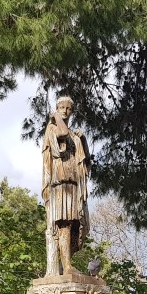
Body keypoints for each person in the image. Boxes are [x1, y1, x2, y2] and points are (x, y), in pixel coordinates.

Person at [42, 96, 90, 276]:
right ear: (56, 109)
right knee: (64, 225)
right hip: (60, 184)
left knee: (76, 226)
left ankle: (68, 263)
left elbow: (85, 160)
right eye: (61, 107)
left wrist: (83, 139)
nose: (65, 111)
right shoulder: (53, 128)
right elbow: (61, 135)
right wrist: (56, 117)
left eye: (68, 108)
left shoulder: (72, 133)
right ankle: (67, 266)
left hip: (74, 184)